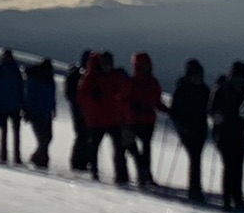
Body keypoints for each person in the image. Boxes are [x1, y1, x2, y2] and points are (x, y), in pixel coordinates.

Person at [79, 51, 133, 183]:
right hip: (98, 120)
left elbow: (123, 94)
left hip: (113, 119)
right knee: (96, 147)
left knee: (118, 149)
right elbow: (81, 97)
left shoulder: (112, 76)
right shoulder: (92, 77)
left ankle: (121, 176)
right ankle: (95, 172)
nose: (108, 66)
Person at [210, 61, 244, 212]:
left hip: (237, 133)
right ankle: (229, 199)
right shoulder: (223, 89)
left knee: (237, 166)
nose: (239, 81)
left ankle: (236, 198)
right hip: (224, 133)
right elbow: (212, 109)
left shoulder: (227, 89)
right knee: (230, 166)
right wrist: (217, 116)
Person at [170, 59, 212, 204]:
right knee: (195, 158)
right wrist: (181, 126)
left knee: (196, 158)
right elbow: (174, 112)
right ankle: (195, 189)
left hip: (199, 130)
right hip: (187, 130)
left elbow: (209, 108)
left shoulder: (201, 89)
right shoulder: (184, 90)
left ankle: (195, 189)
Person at [126, 53, 165, 188]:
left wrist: (166, 109)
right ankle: (144, 175)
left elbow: (157, 101)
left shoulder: (147, 82)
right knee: (139, 149)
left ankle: (144, 175)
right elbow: (124, 101)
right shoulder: (141, 83)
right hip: (137, 120)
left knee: (144, 150)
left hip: (145, 121)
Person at [0, 49, 26, 165]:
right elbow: (21, 89)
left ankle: (5, 157)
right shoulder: (15, 70)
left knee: (6, 133)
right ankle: (15, 157)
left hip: (5, 106)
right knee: (14, 133)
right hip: (13, 106)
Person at [24, 58, 59, 169]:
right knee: (44, 138)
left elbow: (52, 96)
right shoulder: (35, 79)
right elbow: (30, 96)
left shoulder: (49, 79)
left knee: (47, 137)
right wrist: (29, 110)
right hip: (36, 113)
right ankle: (41, 160)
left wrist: (53, 108)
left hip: (46, 113)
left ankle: (39, 158)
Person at [65, 52, 93, 171]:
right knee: (83, 135)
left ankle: (80, 161)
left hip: (80, 109)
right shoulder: (79, 74)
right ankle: (78, 162)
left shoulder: (76, 73)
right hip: (80, 109)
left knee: (83, 135)